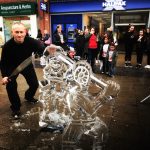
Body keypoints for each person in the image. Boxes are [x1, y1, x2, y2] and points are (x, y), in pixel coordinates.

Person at [1, 22, 44, 119]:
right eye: (17, 32)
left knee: (34, 84)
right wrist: (4, 76)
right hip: (12, 67)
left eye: (21, 32)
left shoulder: (31, 41)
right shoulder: (7, 46)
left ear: (25, 32)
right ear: (13, 33)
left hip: (26, 65)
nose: (19, 34)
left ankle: (28, 97)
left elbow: (41, 47)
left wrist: (45, 50)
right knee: (11, 86)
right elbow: (3, 63)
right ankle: (16, 108)